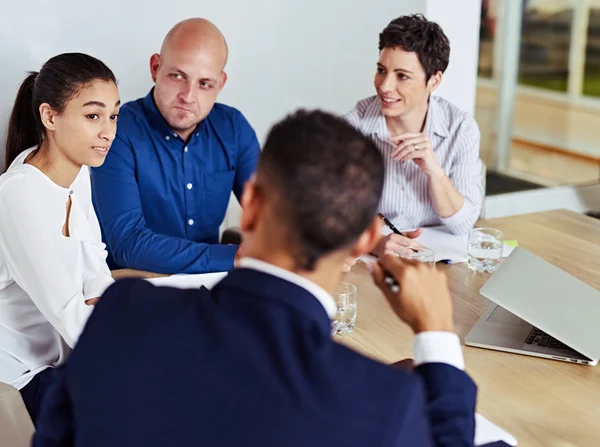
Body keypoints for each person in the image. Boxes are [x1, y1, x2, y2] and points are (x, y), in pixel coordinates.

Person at [33, 110, 476, 447]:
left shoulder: (121, 312)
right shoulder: (383, 403)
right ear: (366, 241)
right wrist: (436, 333)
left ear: (251, 206)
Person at [0, 53, 119, 425]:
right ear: (50, 117)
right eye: (93, 116)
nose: (108, 132)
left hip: (59, 357)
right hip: (19, 369)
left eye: (113, 115)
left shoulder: (77, 173)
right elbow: (70, 314)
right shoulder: (18, 194)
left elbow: (94, 264)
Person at [91, 18, 260, 274]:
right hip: (137, 285)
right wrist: (235, 256)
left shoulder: (233, 128)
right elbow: (128, 244)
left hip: (210, 284)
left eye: (205, 84)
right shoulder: (117, 132)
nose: (188, 96)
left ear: (220, 84)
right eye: (177, 76)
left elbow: (269, 213)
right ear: (155, 68)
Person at [345, 14, 483, 257]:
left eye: (402, 76)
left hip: (437, 260)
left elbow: (463, 225)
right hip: (372, 263)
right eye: (381, 70)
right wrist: (374, 243)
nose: (385, 86)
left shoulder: (461, 129)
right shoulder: (353, 128)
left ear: (434, 81)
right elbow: (328, 215)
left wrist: (434, 171)